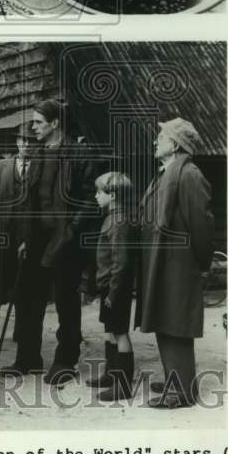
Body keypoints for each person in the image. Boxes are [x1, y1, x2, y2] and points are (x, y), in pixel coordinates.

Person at [3, 99, 96, 384]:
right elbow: (28, 200)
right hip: (37, 238)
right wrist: (24, 238)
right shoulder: (39, 154)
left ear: (55, 123)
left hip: (65, 238)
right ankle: (28, 358)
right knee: (28, 298)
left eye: (38, 122)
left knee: (67, 301)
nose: (33, 127)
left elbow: (91, 200)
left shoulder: (80, 154)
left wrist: (71, 229)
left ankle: (66, 360)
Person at [137, 118, 215, 409]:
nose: (156, 141)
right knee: (164, 319)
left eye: (161, 137)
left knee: (175, 322)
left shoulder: (189, 175)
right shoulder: (168, 172)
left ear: (175, 145)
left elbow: (202, 225)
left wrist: (201, 263)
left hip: (178, 264)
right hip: (163, 262)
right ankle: (176, 379)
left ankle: (181, 391)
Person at [0, 122, 34, 345]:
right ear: (17, 142)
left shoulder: (42, 167)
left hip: (27, 236)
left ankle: (21, 329)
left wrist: (30, 238)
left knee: (23, 283)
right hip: (1, 234)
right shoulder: (0, 166)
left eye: (31, 141)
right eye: (23, 140)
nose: (26, 145)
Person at [88, 171, 136, 401]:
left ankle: (123, 385)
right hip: (108, 285)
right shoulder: (111, 216)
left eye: (100, 192)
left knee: (120, 332)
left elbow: (121, 261)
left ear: (113, 195)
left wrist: (114, 292)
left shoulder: (119, 221)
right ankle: (111, 374)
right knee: (109, 330)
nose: (96, 196)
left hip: (116, 288)